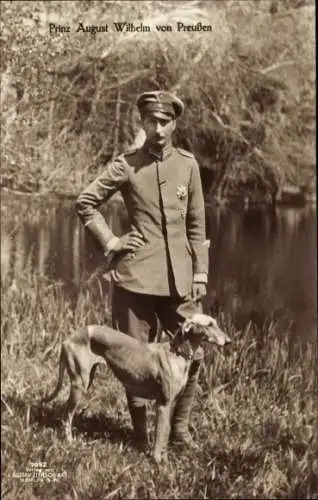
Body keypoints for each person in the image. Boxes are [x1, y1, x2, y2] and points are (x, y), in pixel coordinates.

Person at [76, 90, 209, 448]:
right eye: (152, 121)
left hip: (181, 283)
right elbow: (85, 202)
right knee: (134, 358)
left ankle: (178, 432)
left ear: (174, 123)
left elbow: (197, 224)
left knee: (193, 354)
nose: (159, 129)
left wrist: (200, 273)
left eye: (165, 122)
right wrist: (111, 241)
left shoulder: (188, 165)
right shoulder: (127, 164)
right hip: (135, 280)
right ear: (143, 123)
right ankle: (139, 436)